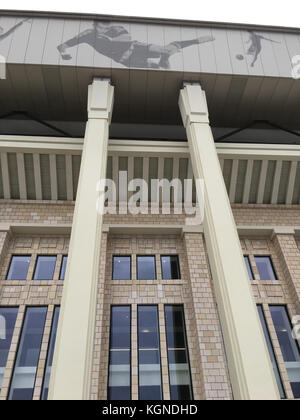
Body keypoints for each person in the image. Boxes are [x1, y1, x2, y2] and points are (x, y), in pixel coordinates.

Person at [57, 21, 215, 69]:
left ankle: (194, 41)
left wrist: (106, 38)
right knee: (158, 68)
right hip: (125, 59)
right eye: (100, 28)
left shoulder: (117, 28)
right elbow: (63, 45)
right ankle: (164, 60)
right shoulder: (87, 34)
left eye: (106, 27)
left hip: (135, 47)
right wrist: (64, 54)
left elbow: (126, 39)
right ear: (95, 26)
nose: (104, 30)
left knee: (163, 49)